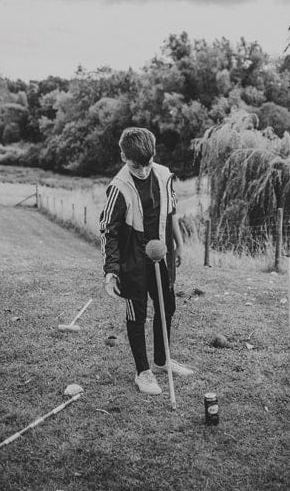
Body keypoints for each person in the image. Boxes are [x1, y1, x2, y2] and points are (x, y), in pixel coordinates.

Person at [100, 127, 193, 395]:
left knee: (167, 307)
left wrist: (179, 246)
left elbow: (172, 213)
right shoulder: (118, 188)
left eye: (147, 164)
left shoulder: (164, 175)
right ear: (123, 157)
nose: (142, 171)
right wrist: (111, 271)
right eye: (135, 166)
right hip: (133, 260)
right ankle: (143, 372)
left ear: (154, 155)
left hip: (161, 255)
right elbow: (109, 231)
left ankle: (163, 361)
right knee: (137, 313)